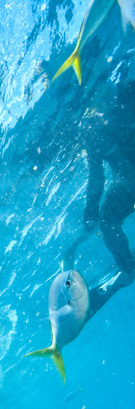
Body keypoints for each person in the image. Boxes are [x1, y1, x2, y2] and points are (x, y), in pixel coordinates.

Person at [83, 80, 135, 275]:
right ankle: (128, 268)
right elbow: (97, 178)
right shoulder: (91, 130)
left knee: (106, 221)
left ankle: (128, 268)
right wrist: (91, 210)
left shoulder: (91, 129)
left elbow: (97, 178)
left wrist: (90, 212)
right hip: (128, 185)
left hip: (128, 185)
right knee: (107, 220)